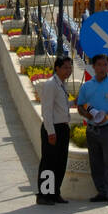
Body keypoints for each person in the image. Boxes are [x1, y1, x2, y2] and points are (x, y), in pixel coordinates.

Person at [76, 53, 108, 205]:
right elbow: (80, 105)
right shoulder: (87, 86)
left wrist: (107, 116)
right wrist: (87, 115)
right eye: (99, 65)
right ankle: (101, 191)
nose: (102, 68)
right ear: (93, 66)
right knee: (95, 161)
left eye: (105, 65)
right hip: (92, 128)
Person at [36, 56, 73, 205]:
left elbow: (60, 107)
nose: (68, 71)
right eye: (65, 67)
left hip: (63, 127)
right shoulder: (51, 84)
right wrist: (50, 131)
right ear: (57, 68)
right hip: (53, 128)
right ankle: (44, 194)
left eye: (70, 68)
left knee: (60, 162)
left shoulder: (61, 85)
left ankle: (55, 192)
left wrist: (73, 103)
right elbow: (47, 110)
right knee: (49, 163)